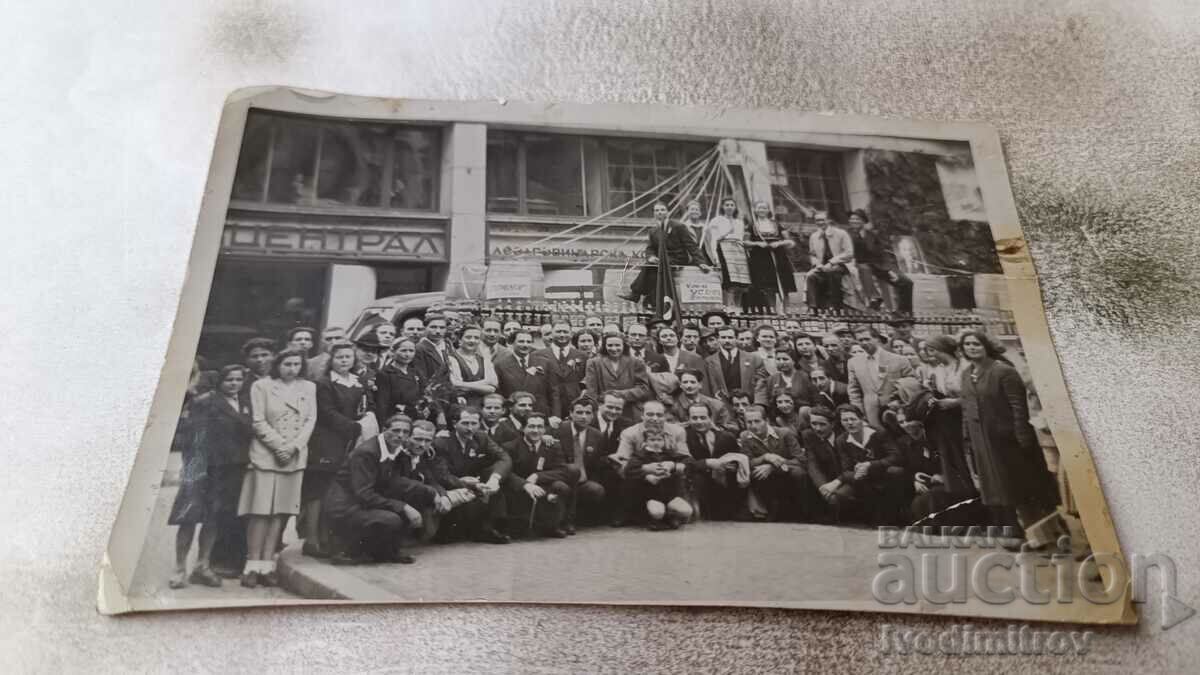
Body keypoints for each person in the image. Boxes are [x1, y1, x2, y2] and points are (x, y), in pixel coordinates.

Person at [959, 331, 1063, 547]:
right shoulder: (967, 374)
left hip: (1007, 441)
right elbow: (966, 408)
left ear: (986, 346)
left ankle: (1047, 537)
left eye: (976, 344)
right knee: (998, 491)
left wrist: (1021, 437)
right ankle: (1017, 534)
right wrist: (967, 437)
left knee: (1023, 490)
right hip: (982, 443)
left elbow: (1018, 407)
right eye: (967, 344)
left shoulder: (1003, 372)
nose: (972, 348)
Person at [167, 365, 253, 589]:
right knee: (189, 518)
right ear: (220, 382)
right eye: (229, 380)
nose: (234, 384)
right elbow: (191, 435)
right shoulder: (205, 402)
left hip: (228, 469)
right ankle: (179, 569)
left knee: (213, 518)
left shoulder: (245, 403)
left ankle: (202, 565)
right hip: (201, 467)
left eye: (238, 380)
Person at [238, 349, 317, 587]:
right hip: (266, 454)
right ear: (278, 365)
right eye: (286, 364)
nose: (291, 368)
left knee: (280, 512)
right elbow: (258, 421)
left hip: (293, 456)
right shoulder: (262, 386)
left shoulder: (309, 387)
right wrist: (279, 446)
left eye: (296, 364)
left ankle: (267, 565)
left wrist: (293, 447)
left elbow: (310, 420)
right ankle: (251, 565)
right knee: (260, 511)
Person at [302, 341, 375, 558]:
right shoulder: (324, 383)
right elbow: (327, 412)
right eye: (339, 357)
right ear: (331, 360)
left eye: (348, 357)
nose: (344, 361)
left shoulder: (358, 382)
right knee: (318, 490)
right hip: (326, 441)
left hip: (349, 441)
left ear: (354, 360)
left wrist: (365, 419)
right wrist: (354, 427)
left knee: (336, 491)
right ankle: (312, 539)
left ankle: (328, 538)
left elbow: (365, 407)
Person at [321, 414, 421, 565]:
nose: (400, 435)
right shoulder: (367, 452)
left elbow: (396, 482)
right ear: (384, 429)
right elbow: (364, 494)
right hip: (345, 507)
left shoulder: (396, 451)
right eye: (396, 430)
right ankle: (347, 551)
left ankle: (385, 552)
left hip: (362, 504)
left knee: (407, 503)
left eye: (405, 432)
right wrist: (402, 507)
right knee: (392, 518)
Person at [427, 409, 512, 544]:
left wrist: (494, 479)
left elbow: (504, 457)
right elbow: (442, 476)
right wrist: (469, 484)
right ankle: (450, 529)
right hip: (449, 485)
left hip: (472, 482)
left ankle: (490, 528)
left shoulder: (481, 437)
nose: (470, 428)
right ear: (455, 424)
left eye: (474, 423)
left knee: (495, 480)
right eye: (465, 423)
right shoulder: (442, 442)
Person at [619, 200, 710, 307]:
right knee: (650, 267)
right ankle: (650, 299)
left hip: (678, 257)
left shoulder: (678, 226)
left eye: (662, 210)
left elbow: (691, 245)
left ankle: (636, 294)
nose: (660, 212)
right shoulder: (653, 231)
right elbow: (650, 248)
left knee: (653, 267)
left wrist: (701, 262)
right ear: (654, 213)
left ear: (668, 212)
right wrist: (651, 257)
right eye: (657, 210)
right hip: (661, 260)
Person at [502, 412, 577, 538]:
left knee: (560, 487)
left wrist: (538, 476)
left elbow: (562, 470)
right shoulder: (510, 447)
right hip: (519, 487)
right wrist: (525, 484)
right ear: (523, 428)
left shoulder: (552, 445)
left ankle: (555, 524)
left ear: (545, 429)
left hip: (544, 486)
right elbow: (507, 472)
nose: (535, 431)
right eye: (531, 426)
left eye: (540, 427)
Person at [832, 405, 906, 525]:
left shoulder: (878, 433)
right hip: (862, 480)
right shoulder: (841, 440)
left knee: (896, 472)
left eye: (853, 419)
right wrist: (856, 475)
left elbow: (896, 456)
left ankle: (894, 518)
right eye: (845, 420)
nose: (850, 423)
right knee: (841, 494)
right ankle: (859, 524)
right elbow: (845, 470)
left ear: (862, 419)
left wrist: (870, 465)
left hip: (883, 474)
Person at [739, 405, 809, 521]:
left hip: (787, 471)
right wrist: (765, 457)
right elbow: (747, 462)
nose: (753, 426)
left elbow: (801, 460)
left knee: (799, 473)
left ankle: (803, 513)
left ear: (766, 421)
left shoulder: (784, 433)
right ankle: (769, 510)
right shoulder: (745, 436)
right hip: (766, 478)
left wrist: (773, 466)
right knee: (755, 473)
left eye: (757, 421)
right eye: (749, 422)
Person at [684, 402, 748, 520]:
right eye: (694, 418)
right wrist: (707, 463)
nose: (699, 422)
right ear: (688, 419)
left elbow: (738, 458)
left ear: (710, 418)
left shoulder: (726, 437)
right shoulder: (684, 437)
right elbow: (683, 463)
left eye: (703, 417)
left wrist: (732, 466)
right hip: (698, 484)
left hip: (723, 486)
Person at [623, 429, 694, 530]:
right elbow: (629, 471)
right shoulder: (639, 455)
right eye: (652, 440)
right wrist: (646, 476)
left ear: (664, 441)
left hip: (670, 494)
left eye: (659, 440)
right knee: (657, 512)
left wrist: (673, 465)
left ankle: (670, 516)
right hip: (651, 495)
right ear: (645, 442)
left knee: (687, 511)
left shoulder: (670, 454)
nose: (656, 442)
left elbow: (689, 461)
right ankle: (653, 519)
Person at [847, 326, 914, 429]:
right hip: (871, 414)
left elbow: (912, 383)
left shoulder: (899, 360)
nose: (864, 343)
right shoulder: (854, 363)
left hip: (898, 411)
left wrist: (899, 401)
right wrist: (859, 414)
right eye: (860, 340)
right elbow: (854, 391)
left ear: (877, 339)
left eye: (867, 339)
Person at [849, 209, 913, 314]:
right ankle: (875, 300)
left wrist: (889, 270)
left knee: (906, 282)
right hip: (863, 268)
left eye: (856, 219)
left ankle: (903, 313)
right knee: (864, 268)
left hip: (880, 266)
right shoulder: (847, 235)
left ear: (863, 221)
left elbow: (882, 253)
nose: (853, 221)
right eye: (851, 219)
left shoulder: (872, 235)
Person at [557, 397, 606, 531]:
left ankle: (581, 518)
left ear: (593, 415)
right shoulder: (559, 430)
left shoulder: (597, 436)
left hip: (583, 480)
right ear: (571, 413)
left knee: (596, 490)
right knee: (571, 474)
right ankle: (565, 520)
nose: (583, 417)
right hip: (562, 478)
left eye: (588, 413)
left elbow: (596, 464)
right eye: (579, 412)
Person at [583, 332, 652, 419]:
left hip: (629, 409)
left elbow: (643, 389)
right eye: (610, 345)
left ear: (624, 345)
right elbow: (591, 392)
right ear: (605, 346)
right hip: (603, 409)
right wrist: (599, 408)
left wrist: (619, 394)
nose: (614, 348)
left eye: (617, 345)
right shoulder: (593, 363)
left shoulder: (636, 362)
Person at [743, 201, 796, 312]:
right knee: (768, 287)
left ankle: (787, 311)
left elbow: (790, 241)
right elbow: (745, 243)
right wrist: (758, 244)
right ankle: (773, 311)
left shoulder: (777, 224)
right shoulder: (752, 226)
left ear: (768, 210)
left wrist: (779, 243)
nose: (762, 210)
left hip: (778, 256)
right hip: (761, 258)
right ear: (755, 210)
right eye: (759, 208)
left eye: (764, 208)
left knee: (784, 284)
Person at [591, 392, 635, 526]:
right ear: (599, 405)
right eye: (609, 407)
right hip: (591, 467)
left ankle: (620, 514)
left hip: (614, 468)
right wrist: (607, 459)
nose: (614, 411)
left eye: (618, 409)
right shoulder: (588, 420)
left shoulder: (626, 425)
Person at [801, 406, 852, 522]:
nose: (817, 428)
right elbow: (812, 464)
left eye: (822, 424)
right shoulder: (808, 435)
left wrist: (836, 483)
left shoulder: (844, 436)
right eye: (813, 424)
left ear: (833, 424)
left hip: (845, 478)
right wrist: (823, 487)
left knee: (837, 499)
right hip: (826, 479)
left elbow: (849, 467)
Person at [494, 330, 558, 418]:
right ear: (511, 343)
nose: (525, 345)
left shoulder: (544, 363)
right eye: (521, 341)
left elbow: (553, 392)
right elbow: (500, 394)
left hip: (540, 413)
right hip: (514, 414)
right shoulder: (501, 365)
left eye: (528, 342)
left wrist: (555, 415)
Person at [613, 400, 690, 469]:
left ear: (665, 417)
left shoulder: (678, 431)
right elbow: (622, 461)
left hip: (670, 473)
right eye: (650, 414)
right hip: (639, 476)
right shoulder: (629, 433)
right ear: (642, 416)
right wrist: (645, 471)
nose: (655, 419)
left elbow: (686, 459)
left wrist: (673, 466)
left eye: (659, 415)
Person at [704, 197, 750, 310]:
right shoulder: (716, 220)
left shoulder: (739, 222)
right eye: (727, 205)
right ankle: (729, 307)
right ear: (722, 207)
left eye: (731, 205)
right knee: (730, 282)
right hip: (724, 249)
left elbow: (741, 238)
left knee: (741, 283)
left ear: (735, 207)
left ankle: (738, 308)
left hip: (739, 252)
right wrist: (715, 258)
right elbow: (714, 240)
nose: (729, 207)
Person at [374, 338, 433, 425]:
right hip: (396, 419)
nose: (407, 354)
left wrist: (425, 407)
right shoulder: (385, 374)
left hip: (416, 418)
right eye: (403, 350)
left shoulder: (415, 372)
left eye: (411, 351)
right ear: (393, 352)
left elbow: (424, 392)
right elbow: (382, 404)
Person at [704, 326, 769, 404]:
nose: (727, 340)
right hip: (723, 404)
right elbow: (712, 386)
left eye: (730, 337)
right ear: (718, 339)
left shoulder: (753, 359)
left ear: (736, 338)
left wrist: (758, 404)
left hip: (750, 404)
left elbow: (760, 384)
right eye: (723, 337)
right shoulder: (709, 361)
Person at [805, 210, 855, 311]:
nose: (820, 223)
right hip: (822, 267)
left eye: (822, 220)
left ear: (828, 220)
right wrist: (817, 264)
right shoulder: (814, 236)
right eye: (817, 220)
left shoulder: (841, 233)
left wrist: (832, 262)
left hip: (841, 265)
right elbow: (812, 255)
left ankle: (835, 306)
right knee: (810, 276)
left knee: (833, 273)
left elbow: (849, 253)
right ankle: (814, 308)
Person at [536, 322, 588, 418]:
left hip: (574, 405)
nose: (562, 335)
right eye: (558, 331)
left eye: (565, 331)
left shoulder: (582, 356)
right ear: (551, 333)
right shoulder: (537, 355)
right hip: (548, 405)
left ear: (571, 334)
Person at [447, 323, 499, 410]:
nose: (472, 340)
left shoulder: (484, 359)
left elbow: (492, 388)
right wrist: (486, 381)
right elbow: (455, 385)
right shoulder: (451, 358)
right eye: (468, 337)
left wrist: (463, 385)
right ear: (460, 340)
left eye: (476, 338)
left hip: (482, 406)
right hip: (461, 405)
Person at [670, 369, 735, 433]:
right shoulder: (673, 406)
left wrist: (714, 428)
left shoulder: (717, 405)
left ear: (700, 384)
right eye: (685, 382)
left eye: (692, 382)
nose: (689, 386)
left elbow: (730, 429)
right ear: (680, 385)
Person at [412, 313, 453, 406]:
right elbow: (423, 379)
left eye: (442, 328)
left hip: (450, 395)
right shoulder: (420, 349)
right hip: (433, 399)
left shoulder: (447, 346)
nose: (438, 331)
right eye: (433, 327)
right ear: (425, 328)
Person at [766, 350, 816, 415]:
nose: (781, 362)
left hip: (802, 413)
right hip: (780, 415)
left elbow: (814, 399)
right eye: (778, 359)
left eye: (785, 359)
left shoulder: (804, 376)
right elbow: (771, 401)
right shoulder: (772, 379)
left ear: (793, 361)